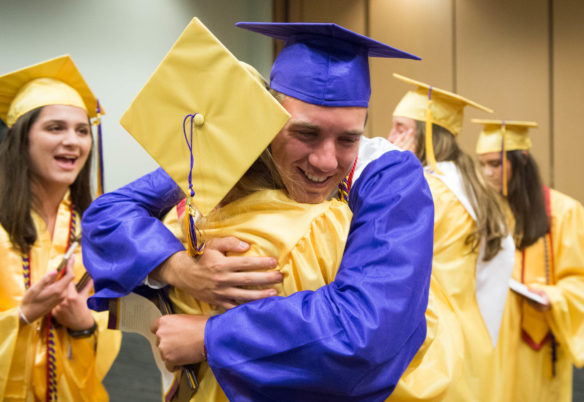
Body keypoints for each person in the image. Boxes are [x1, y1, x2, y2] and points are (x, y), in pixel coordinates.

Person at [82, 19, 437, 401]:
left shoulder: (389, 176)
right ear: (271, 117)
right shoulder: (238, 147)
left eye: (348, 138)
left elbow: (365, 328)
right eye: (305, 133)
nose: (325, 161)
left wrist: (209, 336)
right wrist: (180, 268)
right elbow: (108, 215)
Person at [0, 55, 121, 401]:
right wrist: (23, 314)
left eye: (82, 131)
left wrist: (83, 321)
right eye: (55, 128)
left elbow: (109, 328)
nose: (73, 141)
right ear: (22, 139)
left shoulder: (95, 231)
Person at [388, 74, 515, 401]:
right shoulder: (473, 187)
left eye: (401, 128)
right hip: (475, 338)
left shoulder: (426, 191)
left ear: (427, 134)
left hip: (433, 344)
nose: (390, 137)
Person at [474, 119, 584, 402]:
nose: (487, 173)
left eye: (495, 164)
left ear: (521, 161)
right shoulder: (481, 212)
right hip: (491, 343)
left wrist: (552, 296)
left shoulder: (564, 212)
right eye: (482, 164)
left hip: (536, 347)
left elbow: (579, 281)